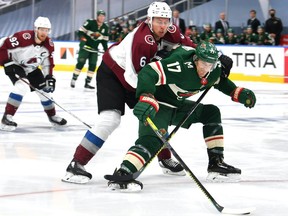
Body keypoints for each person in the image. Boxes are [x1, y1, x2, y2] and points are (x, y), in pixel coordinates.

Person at [62, 1, 197, 184]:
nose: (163, 26)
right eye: (159, 21)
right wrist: (146, 98)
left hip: (135, 77)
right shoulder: (142, 41)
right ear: (149, 20)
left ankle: (164, 158)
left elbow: (192, 49)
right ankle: (76, 164)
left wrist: (217, 59)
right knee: (110, 119)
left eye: (166, 21)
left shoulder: (171, 30)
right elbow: (134, 76)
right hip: (113, 74)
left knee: (158, 114)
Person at [106, 41, 256, 191]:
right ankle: (123, 173)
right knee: (152, 141)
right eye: (203, 64)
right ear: (196, 59)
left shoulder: (214, 69)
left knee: (211, 112)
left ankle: (216, 164)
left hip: (178, 107)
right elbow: (148, 73)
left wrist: (237, 92)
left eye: (210, 64)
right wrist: (146, 96)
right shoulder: (179, 64)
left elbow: (219, 81)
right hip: (159, 107)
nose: (206, 69)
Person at [0, 16, 67, 131]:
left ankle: (52, 116)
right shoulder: (23, 37)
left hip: (32, 68)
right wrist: (6, 62)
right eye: (42, 29)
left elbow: (48, 63)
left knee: (44, 91)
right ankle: (7, 117)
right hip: (15, 64)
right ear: (36, 29)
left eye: (46, 30)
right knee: (22, 86)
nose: (44, 32)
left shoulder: (49, 45)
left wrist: (49, 77)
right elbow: (3, 45)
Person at [70, 10, 109, 89]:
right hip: (85, 48)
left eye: (103, 16)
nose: (101, 17)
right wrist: (83, 39)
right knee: (80, 63)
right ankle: (74, 80)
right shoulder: (90, 22)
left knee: (93, 66)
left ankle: (87, 83)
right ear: (97, 16)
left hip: (94, 50)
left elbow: (104, 42)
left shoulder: (105, 27)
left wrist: (106, 51)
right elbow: (80, 32)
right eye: (100, 16)